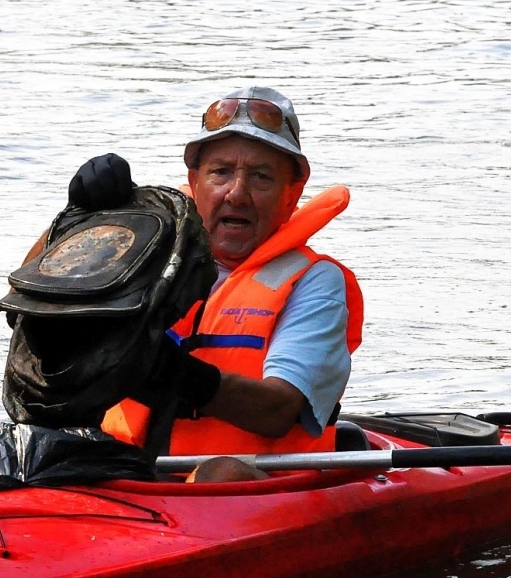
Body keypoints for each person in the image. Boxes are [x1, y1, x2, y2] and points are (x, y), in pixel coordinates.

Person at [69, 86, 363, 480]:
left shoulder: (315, 282)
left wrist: (164, 373)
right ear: (195, 180)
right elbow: (33, 318)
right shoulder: (140, 256)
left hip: (253, 486)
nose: (237, 194)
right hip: (124, 475)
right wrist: (79, 220)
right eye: (221, 173)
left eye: (260, 177)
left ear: (291, 192)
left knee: (220, 473)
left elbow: (277, 410)